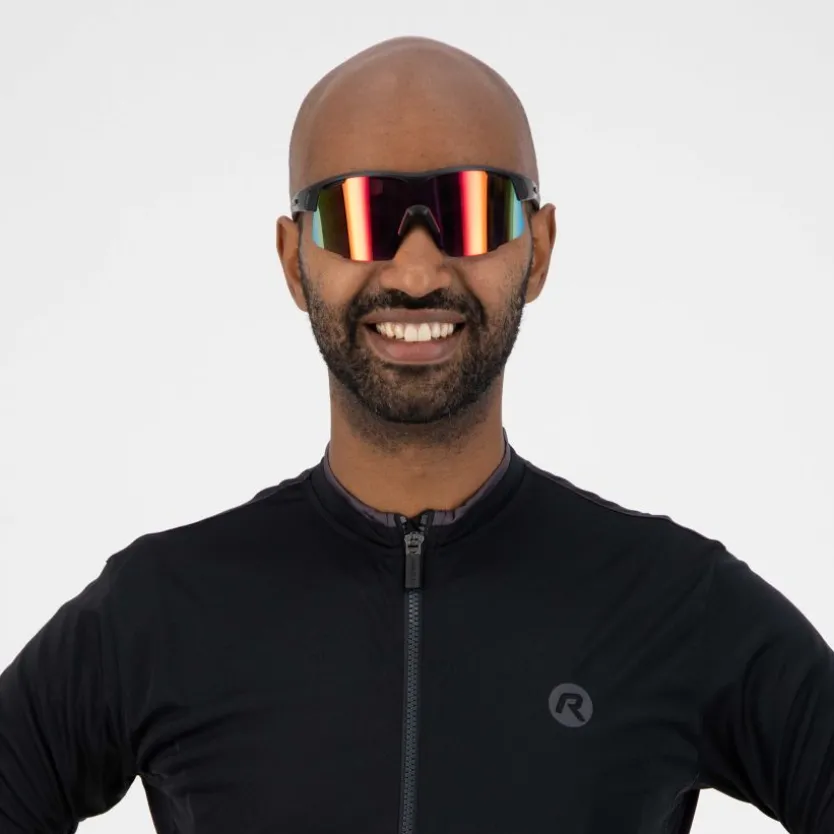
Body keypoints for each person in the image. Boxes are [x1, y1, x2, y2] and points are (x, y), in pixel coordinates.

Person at [0, 35, 832, 834]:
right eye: (360, 216)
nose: (418, 271)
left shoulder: (671, 603)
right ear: (293, 261)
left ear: (538, 249)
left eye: (472, 212)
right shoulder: (163, 609)